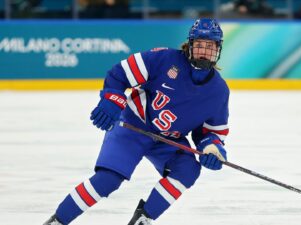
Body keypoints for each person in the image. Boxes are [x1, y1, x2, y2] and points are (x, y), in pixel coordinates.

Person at [43, 18, 230, 225]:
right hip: (133, 125)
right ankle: (57, 221)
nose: (204, 51)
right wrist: (112, 99)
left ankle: (144, 218)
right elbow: (119, 74)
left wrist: (212, 148)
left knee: (187, 169)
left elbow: (210, 132)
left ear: (218, 49)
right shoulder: (164, 59)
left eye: (210, 46)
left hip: (167, 140)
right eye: (200, 45)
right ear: (190, 45)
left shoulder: (219, 91)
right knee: (108, 180)